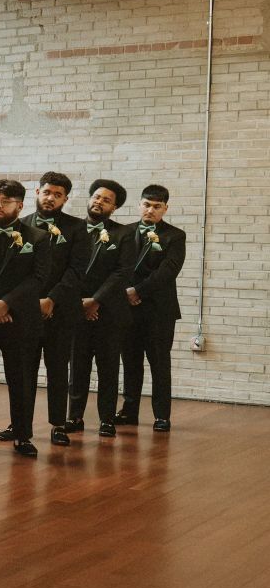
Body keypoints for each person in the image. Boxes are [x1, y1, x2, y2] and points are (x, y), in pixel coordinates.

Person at [5, 172, 89, 446]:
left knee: (57, 370)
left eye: (58, 194)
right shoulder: (20, 225)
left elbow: (76, 271)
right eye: (47, 192)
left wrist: (51, 299)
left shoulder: (77, 228)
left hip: (62, 311)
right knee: (23, 372)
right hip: (25, 312)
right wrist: (31, 302)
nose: (51, 198)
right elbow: (14, 272)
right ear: (37, 192)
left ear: (65, 199)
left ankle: (57, 424)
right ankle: (20, 427)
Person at [0, 179, 51, 458]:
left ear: (19, 205)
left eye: (4, 202)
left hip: (21, 321)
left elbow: (38, 278)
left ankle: (22, 434)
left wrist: (7, 304)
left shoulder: (37, 238)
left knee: (21, 379)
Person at [64, 179, 136, 443]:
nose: (98, 202)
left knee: (108, 367)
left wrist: (95, 300)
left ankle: (107, 419)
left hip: (109, 311)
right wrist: (79, 302)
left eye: (106, 200)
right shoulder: (71, 229)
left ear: (114, 207)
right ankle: (74, 416)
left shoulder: (124, 234)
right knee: (77, 365)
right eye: (96, 196)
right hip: (75, 310)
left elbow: (123, 271)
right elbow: (64, 269)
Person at [117, 184, 186, 432]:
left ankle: (161, 415)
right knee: (130, 361)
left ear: (165, 209)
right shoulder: (124, 232)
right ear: (139, 205)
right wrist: (126, 291)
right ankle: (129, 411)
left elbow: (168, 271)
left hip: (159, 310)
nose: (150, 210)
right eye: (147, 204)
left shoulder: (175, 236)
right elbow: (117, 267)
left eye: (157, 206)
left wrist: (138, 291)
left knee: (159, 363)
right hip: (127, 308)